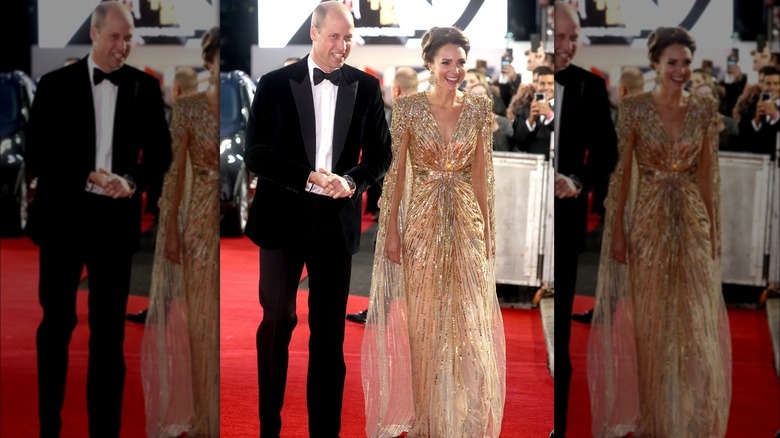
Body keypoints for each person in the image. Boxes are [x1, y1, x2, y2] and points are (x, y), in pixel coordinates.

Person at [243, 2, 392, 436]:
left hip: (335, 227)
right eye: (334, 36)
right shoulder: (273, 84)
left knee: (329, 337)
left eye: (349, 38)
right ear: (313, 33)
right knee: (276, 323)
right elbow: (256, 154)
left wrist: (351, 181)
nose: (342, 46)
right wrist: (308, 177)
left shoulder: (366, 87)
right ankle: (268, 424)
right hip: (281, 222)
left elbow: (380, 156)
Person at [25, 2, 172, 436]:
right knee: (56, 325)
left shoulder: (144, 87)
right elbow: (37, 154)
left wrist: (131, 180)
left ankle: (104, 429)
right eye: (115, 37)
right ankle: (48, 423)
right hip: (63, 220)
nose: (123, 46)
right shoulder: (55, 85)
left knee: (108, 336)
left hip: (114, 224)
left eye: (128, 38)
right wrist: (85, 174)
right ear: (93, 34)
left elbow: (160, 155)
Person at [362, 26, 506, 437]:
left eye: (461, 62)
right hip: (422, 223)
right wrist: (390, 232)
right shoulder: (408, 109)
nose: (455, 70)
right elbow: (396, 174)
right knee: (425, 324)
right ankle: (428, 418)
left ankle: (461, 418)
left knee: (467, 321)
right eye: (446, 62)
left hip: (466, 223)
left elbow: (482, 176)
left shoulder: (478, 108)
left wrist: (487, 230)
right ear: (429, 64)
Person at [588, 26, 731, 438]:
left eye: (686, 62)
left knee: (692, 320)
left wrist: (713, 233)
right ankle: (653, 418)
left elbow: (707, 176)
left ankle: (688, 415)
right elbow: (620, 175)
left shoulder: (703, 111)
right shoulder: (635, 110)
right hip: (647, 222)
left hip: (692, 224)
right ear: (654, 65)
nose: (681, 70)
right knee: (650, 323)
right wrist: (615, 232)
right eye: (672, 62)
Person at [140, 27, 220, 437]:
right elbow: (172, 179)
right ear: (208, 62)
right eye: (218, 60)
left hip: (228, 220)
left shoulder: (239, 107)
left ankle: (213, 414)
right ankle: (201, 414)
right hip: (199, 222)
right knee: (200, 322)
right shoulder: (189, 107)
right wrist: (169, 233)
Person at [551, 3, 618, 437]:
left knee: (560, 327)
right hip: (517, 223)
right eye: (561, 37)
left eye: (574, 37)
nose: (568, 46)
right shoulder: (518, 82)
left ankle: (560, 421)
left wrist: (577, 180)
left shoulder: (590, 87)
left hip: (567, 216)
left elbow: (608, 154)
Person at [126, 66, 200, 326]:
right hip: (195, 199)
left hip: (176, 197)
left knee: (167, 258)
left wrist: (168, 195)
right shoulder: (203, 115)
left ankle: (159, 311)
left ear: (176, 89)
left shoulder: (179, 115)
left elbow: (173, 162)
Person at [346, 66, 419, 326]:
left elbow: (392, 161)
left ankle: (378, 312)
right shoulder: (427, 112)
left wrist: (389, 194)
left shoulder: (397, 115)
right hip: (425, 197)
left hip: (402, 196)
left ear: (396, 89)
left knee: (385, 252)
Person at [513, 66, 555, 157]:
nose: (546, 87)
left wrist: (550, 115)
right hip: (533, 164)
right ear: (536, 86)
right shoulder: (528, 108)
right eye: (542, 83)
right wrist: (531, 120)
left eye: (550, 83)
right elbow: (519, 142)